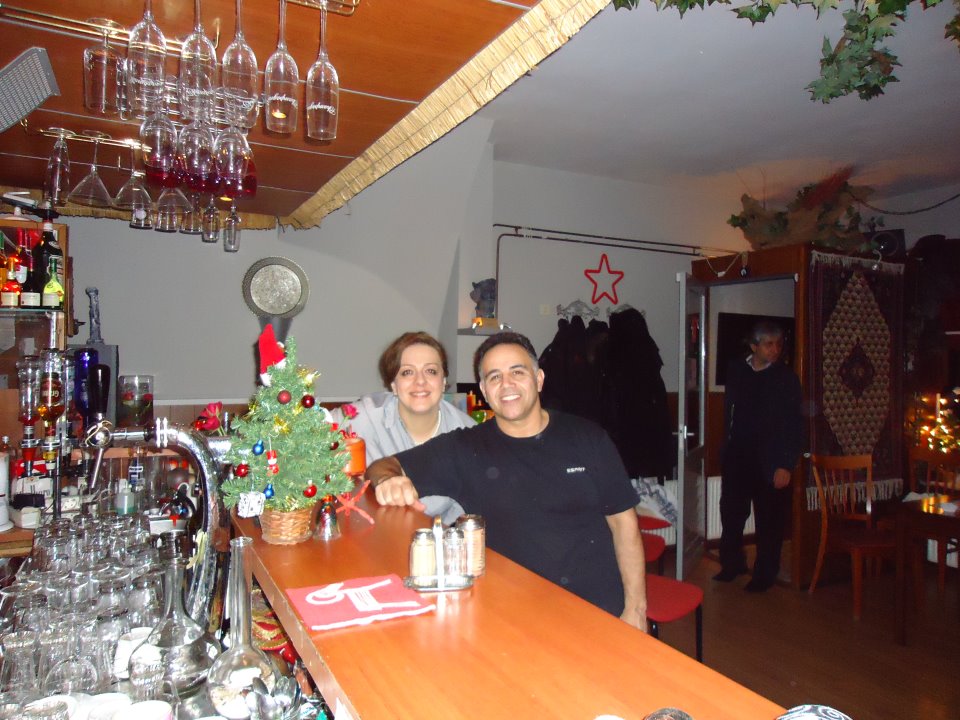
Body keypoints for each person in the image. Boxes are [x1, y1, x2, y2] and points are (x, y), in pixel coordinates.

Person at [367, 331, 647, 629]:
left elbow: (624, 524)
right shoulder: (464, 448)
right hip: (511, 617)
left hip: (597, 612)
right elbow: (383, 465)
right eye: (495, 377)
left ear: (538, 379)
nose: (507, 384)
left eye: (517, 372)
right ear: (484, 391)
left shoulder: (588, 439)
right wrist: (387, 480)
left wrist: (636, 609)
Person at [332, 331, 474, 524]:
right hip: (370, 533)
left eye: (431, 371)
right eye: (407, 372)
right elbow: (308, 429)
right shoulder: (364, 417)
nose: (420, 381)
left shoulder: (468, 433)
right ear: (393, 385)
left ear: (443, 382)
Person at [715, 320, 802, 593]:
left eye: (778, 344)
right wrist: (726, 449)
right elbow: (730, 412)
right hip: (738, 455)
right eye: (768, 344)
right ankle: (732, 564)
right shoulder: (737, 370)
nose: (775, 350)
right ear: (754, 346)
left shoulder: (786, 379)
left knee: (769, 521)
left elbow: (794, 424)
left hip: (770, 460)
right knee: (731, 514)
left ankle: (764, 574)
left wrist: (786, 464)